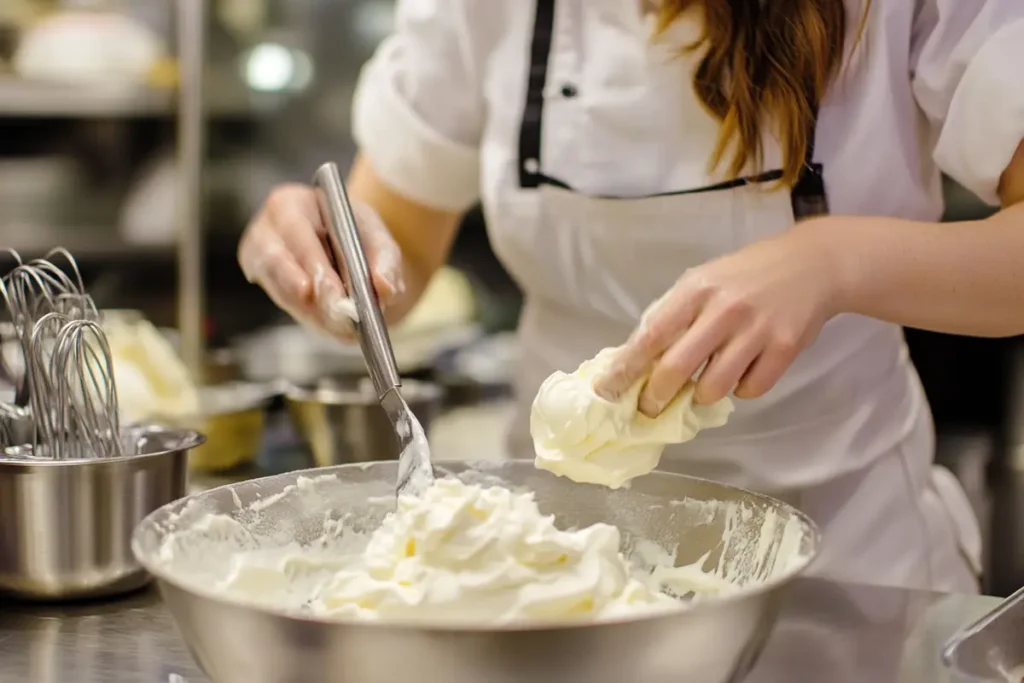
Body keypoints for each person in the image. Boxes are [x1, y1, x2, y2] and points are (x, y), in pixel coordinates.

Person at [239, 0, 1024, 594]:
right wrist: (321, 259)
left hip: (844, 569)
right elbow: (393, 257)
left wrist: (834, 261)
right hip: (544, 568)